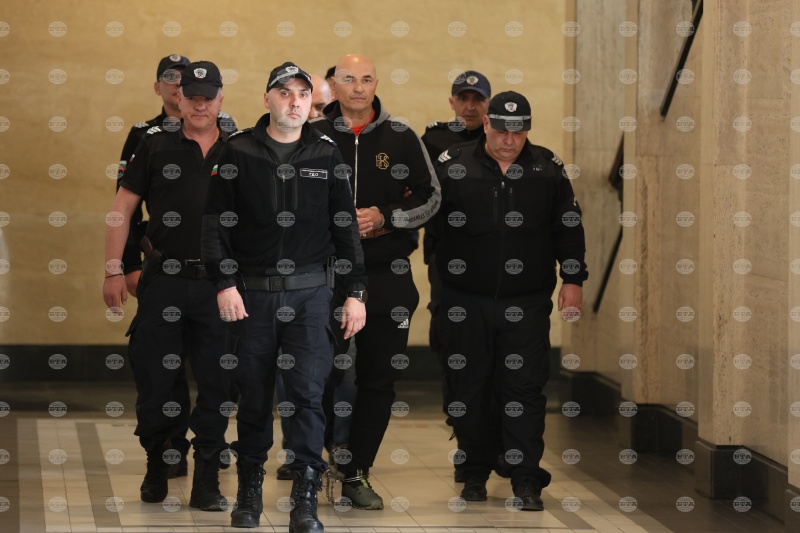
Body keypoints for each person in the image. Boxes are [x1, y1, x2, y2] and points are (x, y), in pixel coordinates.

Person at [202, 61, 367, 531]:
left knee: (307, 396)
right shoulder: (237, 151)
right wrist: (224, 283)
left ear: (311, 103)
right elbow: (214, 228)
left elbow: (346, 229)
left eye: (303, 95)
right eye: (285, 93)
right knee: (253, 396)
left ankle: (305, 499)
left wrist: (356, 292)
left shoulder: (326, 154)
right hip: (252, 295)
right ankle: (249, 492)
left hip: (312, 295)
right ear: (267, 98)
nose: (294, 102)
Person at [432, 91, 587, 511]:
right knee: (470, 387)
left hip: (526, 302)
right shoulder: (454, 165)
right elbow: (429, 221)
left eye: (519, 132)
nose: (509, 140)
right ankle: (474, 472)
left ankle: (525, 478)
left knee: (524, 389)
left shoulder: (546, 168)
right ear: (486, 123)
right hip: (466, 300)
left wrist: (573, 277)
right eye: (502, 130)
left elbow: (568, 225)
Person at [103, 61, 234, 512]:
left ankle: (207, 480)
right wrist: (114, 269)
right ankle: (158, 462)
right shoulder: (155, 144)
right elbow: (122, 209)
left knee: (220, 382)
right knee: (156, 379)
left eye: (207, 97)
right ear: (179, 98)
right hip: (166, 281)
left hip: (222, 285)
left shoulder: (241, 147)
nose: (199, 104)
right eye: (191, 96)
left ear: (220, 99)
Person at [312, 53, 440, 510]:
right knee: (320, 375)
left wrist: (385, 217)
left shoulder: (401, 136)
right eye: (349, 79)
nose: (359, 87)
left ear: (376, 84)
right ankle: (322, 456)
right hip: (325, 276)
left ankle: (357, 471)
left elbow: (432, 197)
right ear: (334, 85)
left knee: (378, 380)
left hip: (388, 275)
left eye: (367, 79)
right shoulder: (313, 134)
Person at [420, 71, 495, 484]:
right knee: (451, 343)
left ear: (488, 104)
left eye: (477, 99)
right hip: (448, 262)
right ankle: (463, 429)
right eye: (462, 98)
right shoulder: (434, 140)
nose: (470, 106)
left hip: (494, 262)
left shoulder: (501, 139)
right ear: (451, 102)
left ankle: (496, 441)